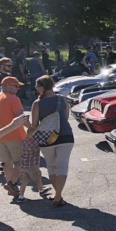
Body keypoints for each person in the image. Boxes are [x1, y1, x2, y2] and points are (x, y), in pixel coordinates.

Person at [30, 75, 74, 206]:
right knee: (62, 167)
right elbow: (65, 118)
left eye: (37, 87)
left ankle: (58, 195)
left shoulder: (37, 103)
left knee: (51, 167)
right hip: (65, 135)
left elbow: (34, 125)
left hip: (45, 138)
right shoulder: (62, 99)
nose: (37, 89)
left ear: (42, 87)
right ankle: (58, 196)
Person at [0, 77, 26, 197]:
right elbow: (21, 117)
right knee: (21, 161)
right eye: (16, 86)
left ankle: (11, 188)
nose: (18, 89)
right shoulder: (14, 99)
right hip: (16, 136)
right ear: (6, 85)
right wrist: (33, 129)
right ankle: (11, 184)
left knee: (6, 163)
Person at [16, 137, 51, 202]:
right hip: (32, 165)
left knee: (24, 181)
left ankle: (21, 196)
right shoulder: (35, 143)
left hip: (23, 165)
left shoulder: (23, 141)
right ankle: (41, 190)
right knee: (37, 178)